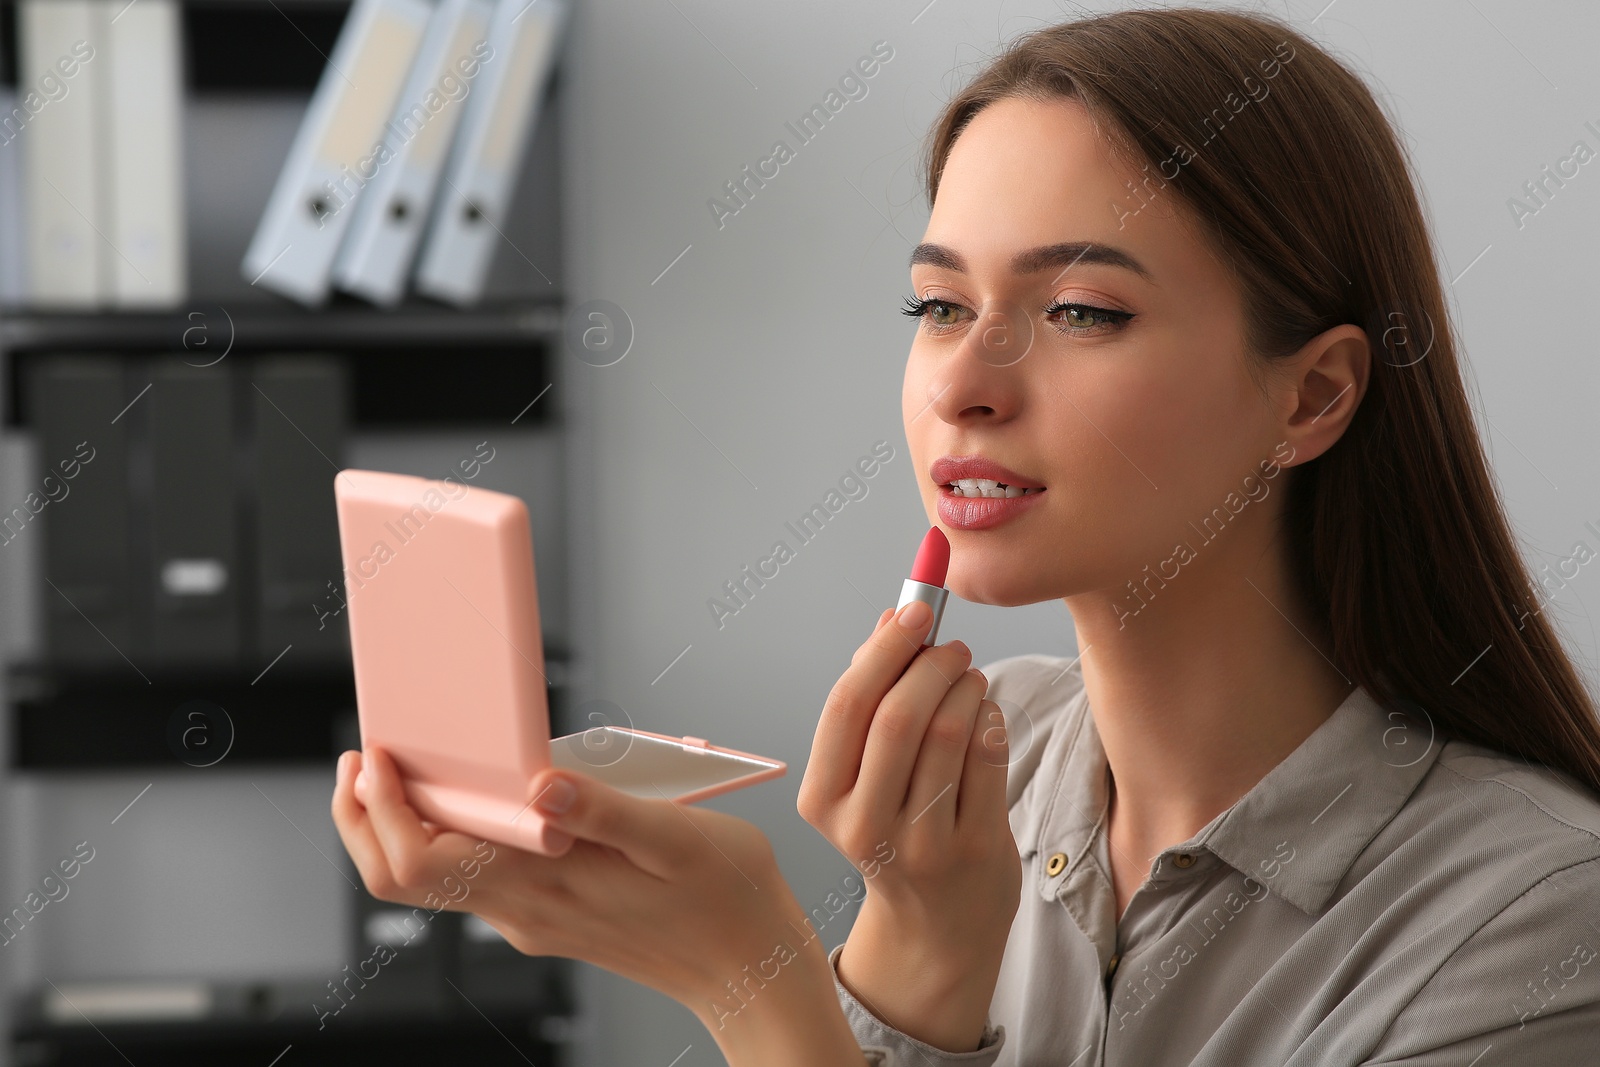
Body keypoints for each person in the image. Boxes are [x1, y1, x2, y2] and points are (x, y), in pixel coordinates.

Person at [331, 8, 1600, 1065]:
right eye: (938, 304)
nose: (964, 385)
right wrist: (915, 956)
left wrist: (750, 975)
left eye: (1083, 311)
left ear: (1312, 394)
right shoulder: (996, 759)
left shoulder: (1538, 917)